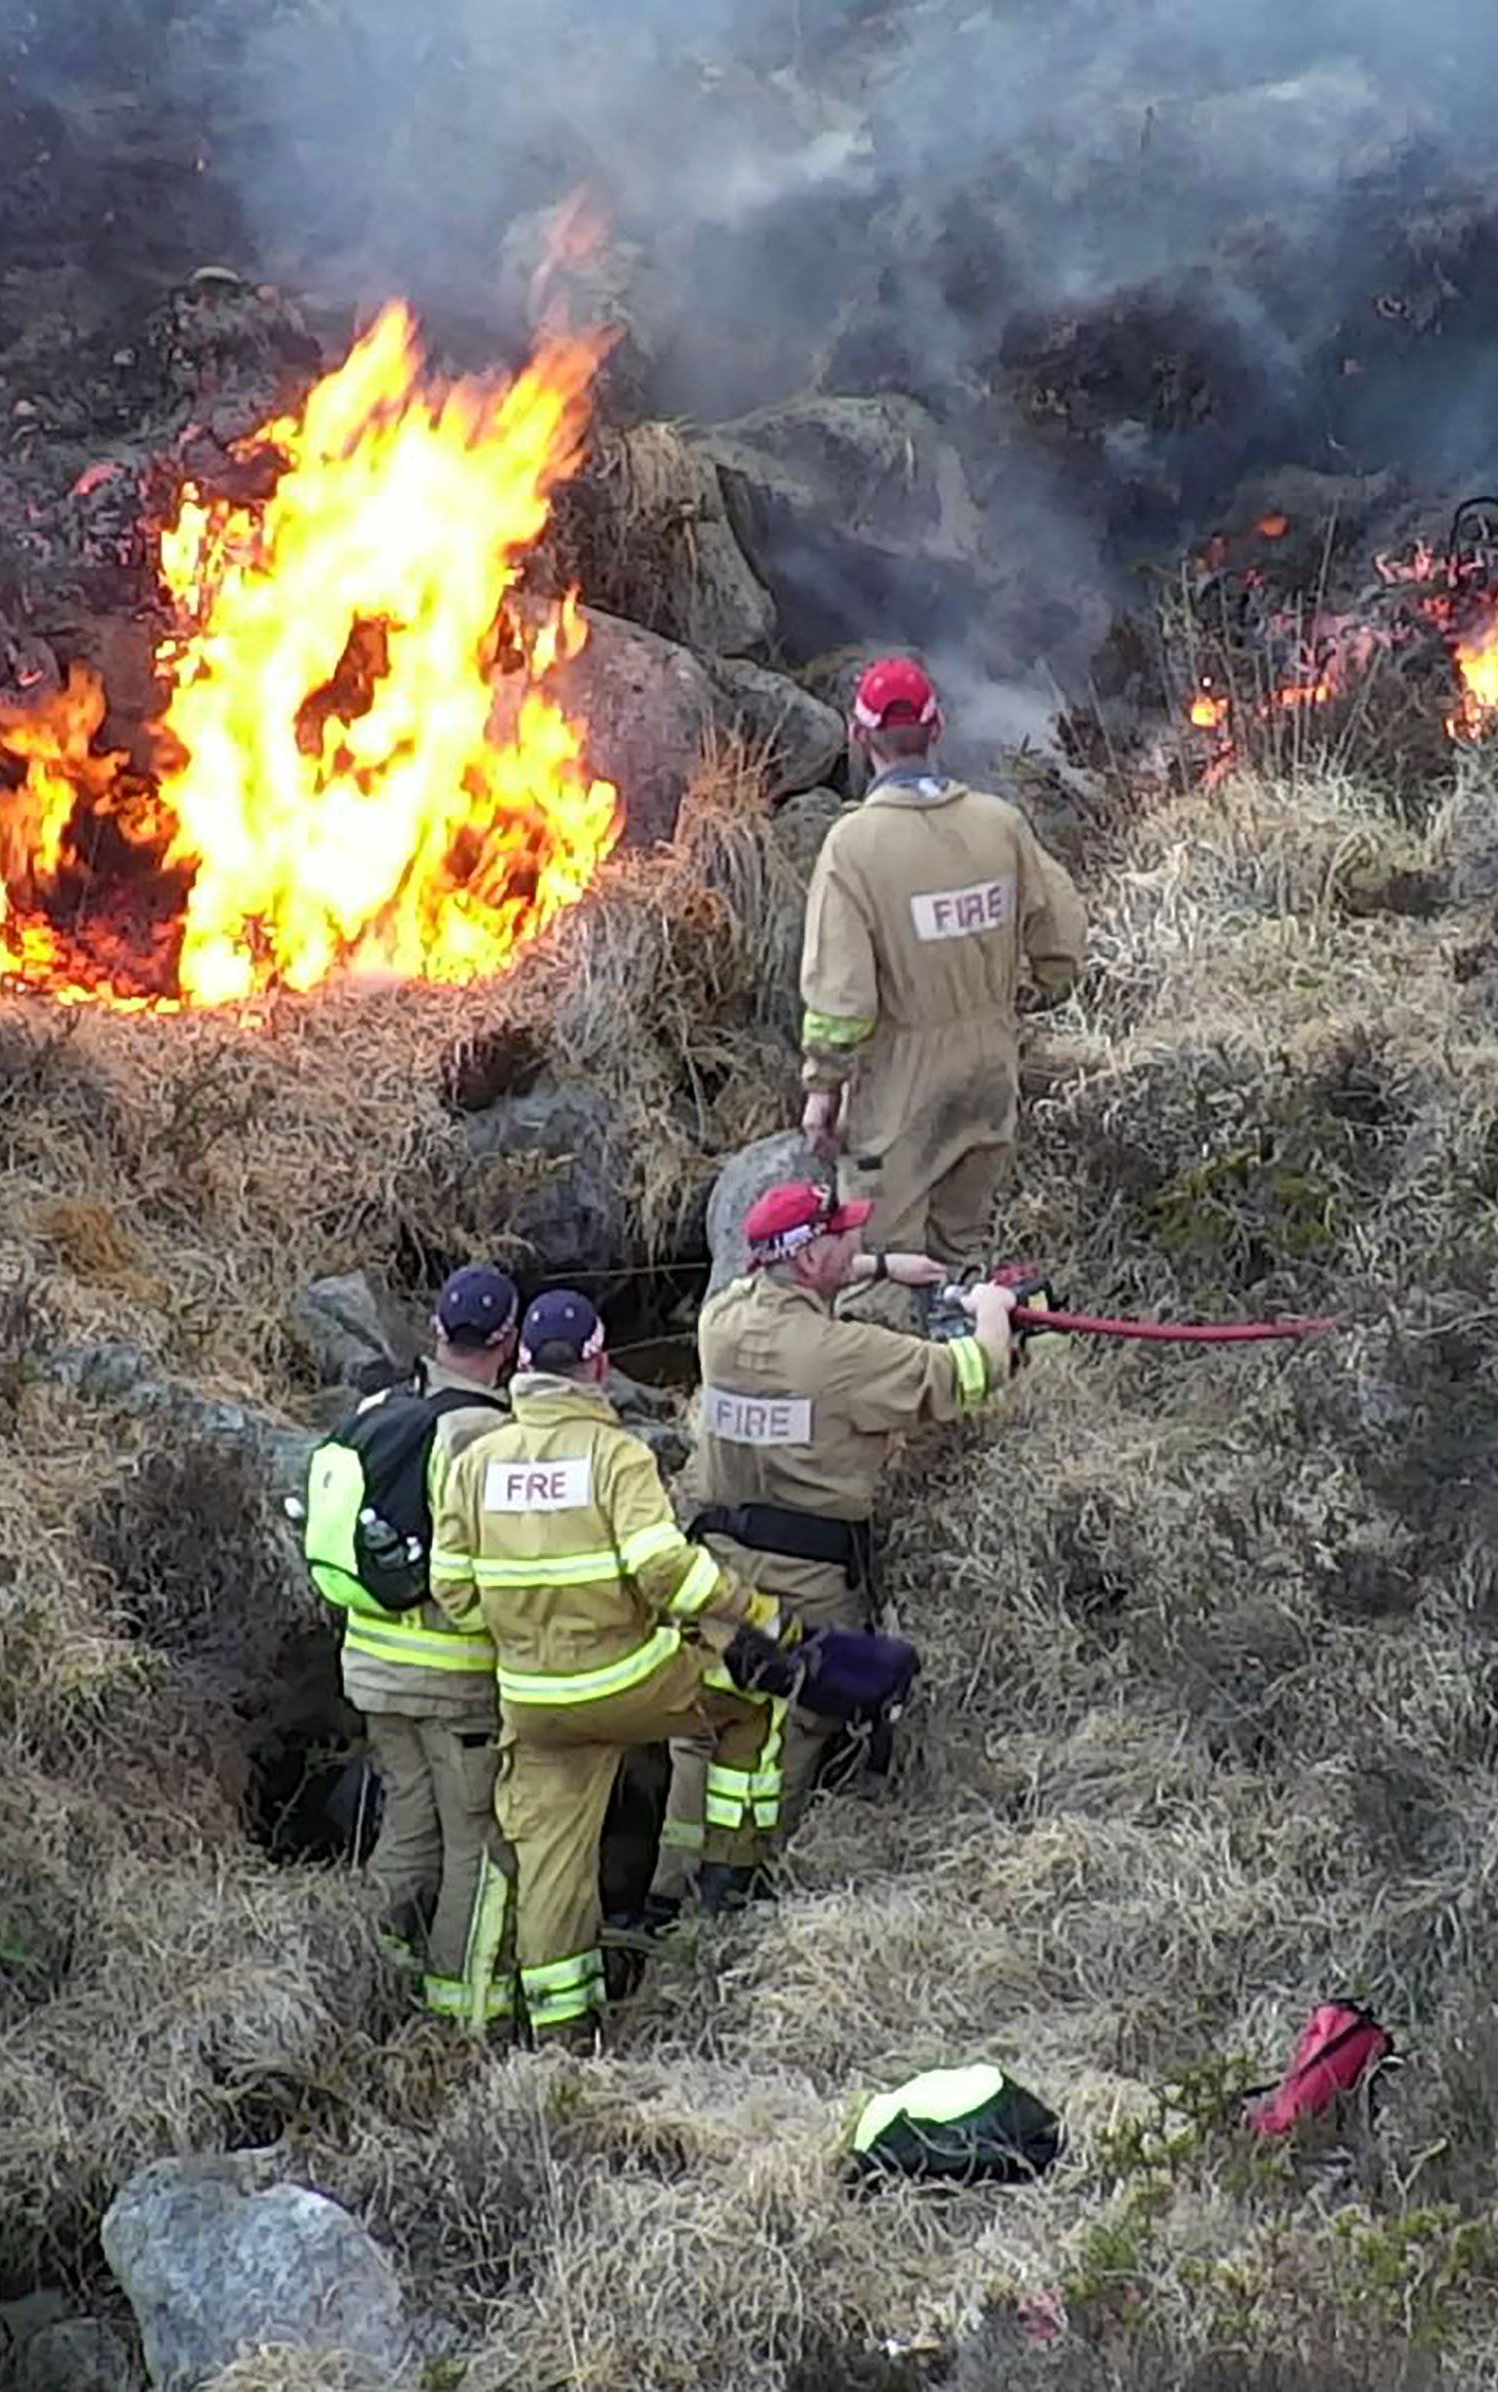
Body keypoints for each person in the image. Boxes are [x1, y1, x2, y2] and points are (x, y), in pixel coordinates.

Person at [430, 1289, 789, 2046]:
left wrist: (524, 1638)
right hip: (630, 1680)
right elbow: (666, 1572)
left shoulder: (477, 1459)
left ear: (522, 1365)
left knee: (552, 1863)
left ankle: (562, 2039)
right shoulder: (616, 1455)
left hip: (531, 1699)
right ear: (598, 1365)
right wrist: (752, 1611)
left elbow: (452, 1588)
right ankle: (725, 1879)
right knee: (752, 1704)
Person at [663, 1180, 1019, 1883]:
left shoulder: (721, 1323)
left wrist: (881, 1268)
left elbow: (783, 1276)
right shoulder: (844, 1354)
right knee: (793, 1727)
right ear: (810, 1260)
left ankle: (667, 1891)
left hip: (720, 1573)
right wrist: (994, 1310)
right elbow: (975, 1373)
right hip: (808, 1583)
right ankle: (749, 1883)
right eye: (845, 1236)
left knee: (704, 1731)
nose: (858, 1240)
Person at [797, 654, 1090, 1265]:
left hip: (901, 1088)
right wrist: (1024, 999)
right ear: (938, 728)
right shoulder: (999, 824)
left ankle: (913, 1359)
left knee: (883, 1260)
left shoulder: (853, 848)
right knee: (961, 1250)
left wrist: (823, 1089)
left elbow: (842, 1002)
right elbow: (1061, 940)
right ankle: (971, 1352)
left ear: (858, 737)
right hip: (989, 1073)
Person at [332, 1264, 523, 2030]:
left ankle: (359, 1978)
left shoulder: (380, 1407)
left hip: (372, 1669)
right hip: (456, 1683)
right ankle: (462, 2020)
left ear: (438, 1332)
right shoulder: (487, 1436)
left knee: (409, 1830)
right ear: (508, 1342)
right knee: (478, 1851)